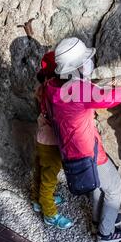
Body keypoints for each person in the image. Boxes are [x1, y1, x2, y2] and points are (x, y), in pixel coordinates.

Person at [45, 37, 121, 242]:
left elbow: (86, 93)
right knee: (114, 188)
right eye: (85, 60)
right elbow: (107, 99)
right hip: (88, 150)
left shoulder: (52, 86)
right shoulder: (78, 90)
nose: (89, 62)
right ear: (77, 67)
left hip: (69, 149)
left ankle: (99, 220)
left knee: (96, 186)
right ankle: (105, 234)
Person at [30, 51, 73, 229]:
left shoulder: (42, 87)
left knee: (40, 169)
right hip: (52, 141)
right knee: (49, 180)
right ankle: (50, 214)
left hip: (41, 138)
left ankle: (37, 199)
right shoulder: (55, 90)